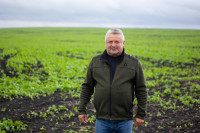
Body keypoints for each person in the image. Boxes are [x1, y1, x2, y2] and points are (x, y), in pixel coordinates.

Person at [78, 28, 147, 133]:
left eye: (117, 42)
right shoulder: (95, 62)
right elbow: (87, 87)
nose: (113, 45)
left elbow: (141, 89)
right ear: (105, 43)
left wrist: (141, 114)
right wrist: (82, 109)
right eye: (110, 42)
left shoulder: (133, 63)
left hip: (124, 120)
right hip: (102, 120)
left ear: (123, 43)